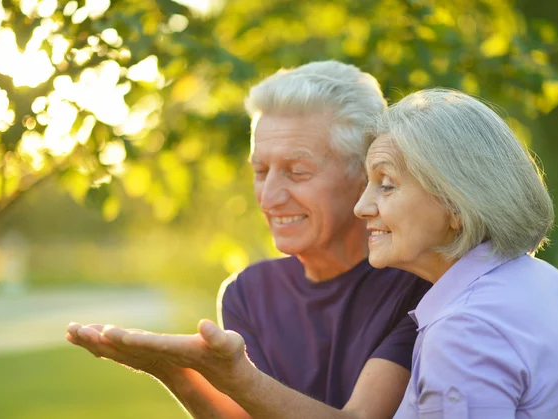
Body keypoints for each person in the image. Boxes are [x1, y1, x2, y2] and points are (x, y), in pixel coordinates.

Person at [66, 61, 430, 418]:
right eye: (260, 170)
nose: (269, 197)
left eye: (297, 172)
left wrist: (239, 377)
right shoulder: (248, 292)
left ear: (364, 174)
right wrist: (174, 372)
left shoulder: (422, 282)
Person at [353, 88, 558, 417]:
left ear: (456, 205)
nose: (361, 207)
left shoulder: (464, 333)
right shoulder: (543, 281)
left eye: (386, 183)